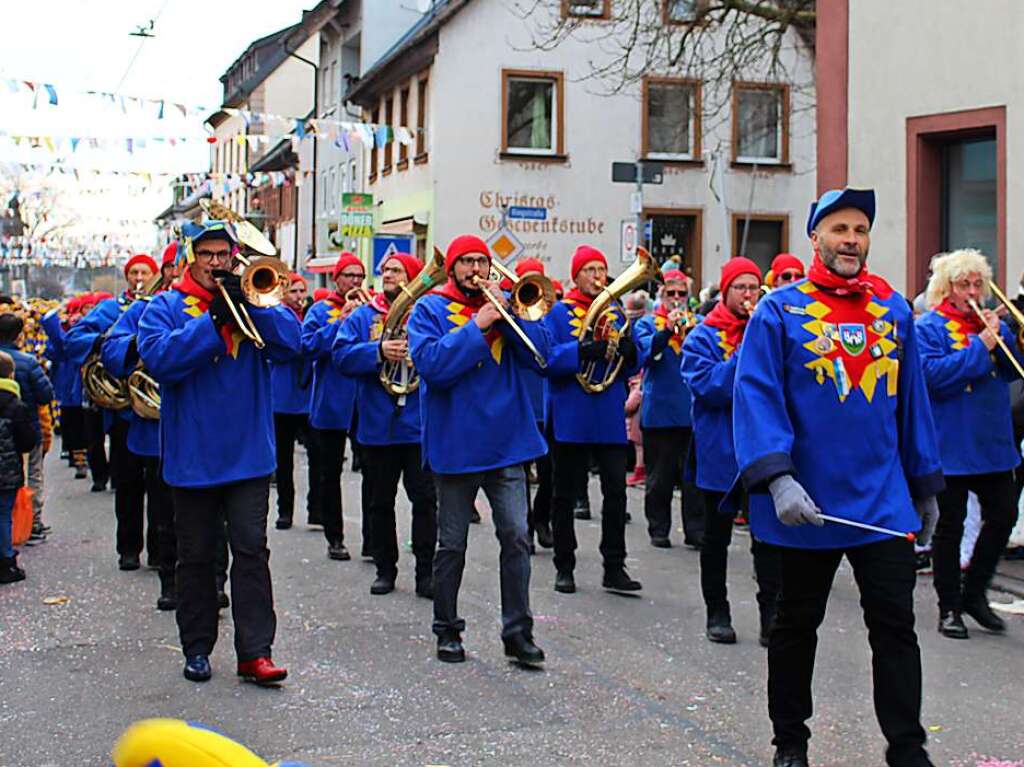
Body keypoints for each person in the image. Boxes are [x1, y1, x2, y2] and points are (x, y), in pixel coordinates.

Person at [732, 188, 942, 767]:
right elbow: (756, 396)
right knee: (795, 626)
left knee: (896, 627)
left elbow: (912, 404)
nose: (851, 240)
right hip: (806, 502)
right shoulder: (778, 310)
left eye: (860, 230)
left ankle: (907, 748)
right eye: (839, 229)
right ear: (815, 237)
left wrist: (924, 484)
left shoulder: (895, 309)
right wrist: (777, 478)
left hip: (881, 503)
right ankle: (790, 743)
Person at [137, 219, 300, 685]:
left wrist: (251, 304)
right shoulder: (165, 307)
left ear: (234, 258)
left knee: (251, 551)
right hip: (193, 455)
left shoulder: (250, 298)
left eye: (222, 255)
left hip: (248, 453)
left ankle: (255, 652)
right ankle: (197, 647)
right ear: (192, 258)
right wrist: (213, 322)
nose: (215, 263)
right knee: (197, 556)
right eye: (206, 255)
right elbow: (161, 360)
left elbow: (292, 345)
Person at [408, 234, 549, 666]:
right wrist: (478, 326)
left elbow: (542, 356)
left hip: (507, 442)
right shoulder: (429, 309)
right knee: (452, 544)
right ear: (451, 269)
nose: (476, 270)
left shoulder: (509, 304)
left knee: (517, 537)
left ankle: (517, 632)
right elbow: (432, 365)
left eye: (482, 262)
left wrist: (516, 319)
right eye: (466, 262)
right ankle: (447, 629)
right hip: (456, 443)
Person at [916, 248, 1021, 639]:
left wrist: (1006, 334)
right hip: (952, 443)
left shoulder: (992, 325)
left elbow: (1013, 371)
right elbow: (935, 378)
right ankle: (949, 607)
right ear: (947, 289)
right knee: (951, 528)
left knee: (1004, 516)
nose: (974, 291)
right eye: (965, 284)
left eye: (979, 284)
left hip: (993, 442)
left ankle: (975, 592)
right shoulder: (929, 327)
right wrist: (981, 346)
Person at [681, 258, 780, 645]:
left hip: (761, 450)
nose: (749, 295)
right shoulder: (703, 336)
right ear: (726, 292)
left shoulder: (767, 331)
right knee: (716, 538)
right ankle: (717, 611)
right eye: (741, 288)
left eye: (754, 287)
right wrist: (747, 355)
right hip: (720, 449)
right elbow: (709, 387)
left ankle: (770, 614)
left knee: (768, 539)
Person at [333, 253, 437, 597]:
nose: (388, 274)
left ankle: (426, 573)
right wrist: (378, 351)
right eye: (385, 270)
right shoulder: (365, 315)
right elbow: (341, 356)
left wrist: (418, 354)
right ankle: (385, 569)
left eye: (396, 270)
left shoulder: (425, 312)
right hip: (378, 424)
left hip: (418, 424)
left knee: (424, 500)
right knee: (379, 501)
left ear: (411, 276)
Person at [543, 245, 642, 595]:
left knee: (616, 492)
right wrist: (582, 350)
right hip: (571, 412)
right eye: (590, 269)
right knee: (564, 494)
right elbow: (548, 359)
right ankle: (564, 564)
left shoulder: (615, 311)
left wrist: (632, 352)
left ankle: (614, 566)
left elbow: (631, 364)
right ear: (576, 275)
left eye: (601, 269)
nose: (598, 276)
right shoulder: (557, 313)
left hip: (609, 414)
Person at [66, 254, 159, 569]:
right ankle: (129, 548)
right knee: (127, 483)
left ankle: (160, 551)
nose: (138, 277)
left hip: (158, 412)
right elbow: (74, 337)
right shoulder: (111, 309)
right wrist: (105, 340)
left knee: (161, 488)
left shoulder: (163, 305)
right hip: (124, 412)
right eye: (133, 272)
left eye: (144, 271)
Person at [102, 272, 177, 610]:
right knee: (156, 502)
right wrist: (143, 345)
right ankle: (157, 565)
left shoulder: (227, 304)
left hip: (205, 426)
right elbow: (110, 350)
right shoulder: (144, 308)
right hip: (150, 425)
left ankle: (212, 582)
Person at [301, 252, 365, 561]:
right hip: (331, 401)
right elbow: (308, 346)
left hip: (364, 402)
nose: (355, 281)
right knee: (329, 473)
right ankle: (334, 536)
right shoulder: (320, 310)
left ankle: (374, 540)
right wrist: (341, 322)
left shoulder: (371, 307)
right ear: (336, 279)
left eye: (359, 276)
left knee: (375, 474)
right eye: (349, 275)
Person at [635, 270, 703, 549]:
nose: (676, 299)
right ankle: (659, 528)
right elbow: (645, 354)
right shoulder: (647, 323)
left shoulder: (698, 323)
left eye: (681, 294)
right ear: (661, 296)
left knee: (693, 479)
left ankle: (696, 530)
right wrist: (666, 331)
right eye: (670, 294)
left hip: (691, 411)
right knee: (659, 478)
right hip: (661, 410)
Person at [271, 273, 320, 531]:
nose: (300, 297)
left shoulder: (307, 315)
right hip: (281, 399)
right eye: (294, 292)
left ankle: (315, 510)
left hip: (307, 399)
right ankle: (285, 510)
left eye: (302, 292)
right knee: (283, 459)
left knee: (317, 456)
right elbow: (296, 346)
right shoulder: (278, 315)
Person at [0, 314, 54, 542]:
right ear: (19, 335)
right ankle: (32, 522)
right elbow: (45, 394)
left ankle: (8, 525)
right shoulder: (28, 361)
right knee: (34, 474)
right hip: (27, 427)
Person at [0, 350, 39, 584]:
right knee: (4, 515)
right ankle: (6, 562)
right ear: (11, 375)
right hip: (7, 471)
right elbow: (26, 441)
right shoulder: (16, 405)